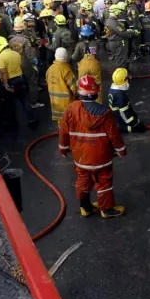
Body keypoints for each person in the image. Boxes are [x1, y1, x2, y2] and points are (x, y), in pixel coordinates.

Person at [57, 75, 127, 219]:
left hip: (81, 157)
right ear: (96, 92)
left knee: (83, 180)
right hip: (101, 157)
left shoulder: (71, 109)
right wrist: (121, 150)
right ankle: (106, 210)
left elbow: (63, 131)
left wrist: (63, 148)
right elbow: (114, 135)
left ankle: (86, 207)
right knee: (104, 181)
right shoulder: (105, 113)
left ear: (79, 92)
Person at [0, 35, 34, 129]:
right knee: (24, 101)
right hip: (20, 78)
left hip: (10, 81)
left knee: (10, 103)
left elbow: (3, 72)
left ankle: (12, 122)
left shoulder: (0, 57)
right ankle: (31, 119)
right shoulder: (16, 54)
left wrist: (6, 85)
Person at [107, 68, 144, 133]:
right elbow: (124, 113)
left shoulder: (113, 89)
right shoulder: (120, 95)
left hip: (116, 116)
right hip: (122, 121)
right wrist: (135, 125)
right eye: (127, 77)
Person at [46, 47, 76, 122]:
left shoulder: (49, 70)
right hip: (67, 104)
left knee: (61, 124)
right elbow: (74, 87)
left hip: (55, 104)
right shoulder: (66, 70)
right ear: (66, 57)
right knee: (69, 123)